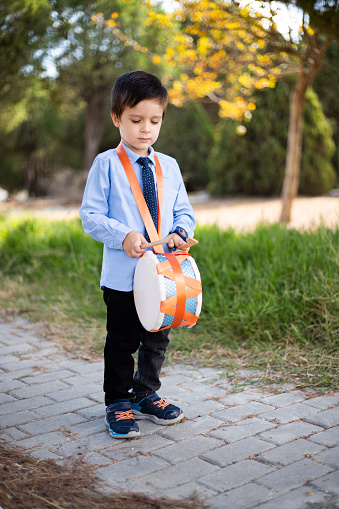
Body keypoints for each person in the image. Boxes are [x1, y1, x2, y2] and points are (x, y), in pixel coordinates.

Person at [79, 70, 196, 439]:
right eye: (136, 120)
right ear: (117, 118)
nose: (146, 129)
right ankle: (118, 402)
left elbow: (185, 212)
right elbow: (90, 216)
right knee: (122, 339)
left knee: (157, 337)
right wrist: (123, 234)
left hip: (163, 274)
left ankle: (146, 393)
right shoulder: (106, 164)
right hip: (122, 275)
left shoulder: (170, 167)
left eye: (154, 120)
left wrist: (181, 233)